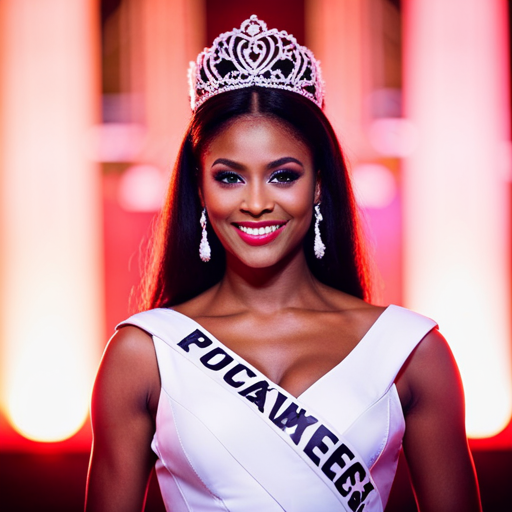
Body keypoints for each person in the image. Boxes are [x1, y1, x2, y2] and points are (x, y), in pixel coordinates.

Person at [85, 15, 481, 512]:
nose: (255, 203)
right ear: (199, 188)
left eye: (282, 176)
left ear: (318, 184)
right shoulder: (145, 352)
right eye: (229, 178)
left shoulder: (411, 352)